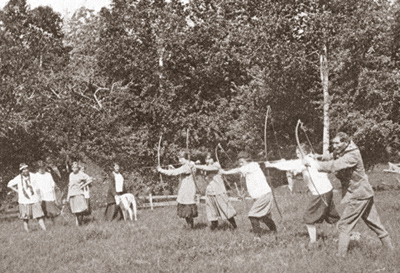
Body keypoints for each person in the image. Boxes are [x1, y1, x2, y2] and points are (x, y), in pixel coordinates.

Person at [311, 132, 394, 257]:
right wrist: (320, 157)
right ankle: (391, 251)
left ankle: (340, 257)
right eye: (333, 143)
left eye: (337, 143)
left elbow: (335, 164)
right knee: (374, 223)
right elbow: (333, 155)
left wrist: (316, 165)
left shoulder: (352, 155)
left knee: (344, 225)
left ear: (345, 142)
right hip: (364, 193)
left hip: (359, 195)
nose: (335, 145)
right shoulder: (345, 149)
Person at [265, 143, 339, 245]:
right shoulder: (310, 159)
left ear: (304, 152)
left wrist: (271, 165)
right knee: (332, 216)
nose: (297, 155)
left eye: (299, 153)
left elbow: (290, 165)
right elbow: (293, 164)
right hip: (327, 190)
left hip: (320, 192)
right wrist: (282, 162)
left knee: (308, 218)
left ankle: (313, 242)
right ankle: (348, 233)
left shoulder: (306, 161)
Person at [220, 151, 277, 240]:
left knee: (252, 215)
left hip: (264, 195)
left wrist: (225, 172)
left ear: (248, 160)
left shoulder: (253, 165)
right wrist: (244, 193)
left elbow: (238, 170)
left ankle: (257, 237)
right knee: (262, 216)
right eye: (239, 163)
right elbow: (249, 183)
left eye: (242, 162)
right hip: (261, 196)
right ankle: (274, 231)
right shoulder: (248, 169)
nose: (240, 165)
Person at [195, 152, 237, 230]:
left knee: (225, 210)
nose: (207, 160)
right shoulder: (206, 166)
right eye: (206, 159)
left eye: (209, 158)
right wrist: (195, 165)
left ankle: (234, 226)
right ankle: (214, 228)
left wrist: (195, 165)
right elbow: (202, 170)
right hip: (210, 192)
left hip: (219, 192)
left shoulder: (216, 165)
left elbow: (207, 168)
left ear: (213, 159)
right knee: (211, 211)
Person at [157, 151, 198, 229]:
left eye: (180, 159)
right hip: (186, 188)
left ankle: (190, 227)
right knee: (186, 208)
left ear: (185, 158)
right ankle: (190, 227)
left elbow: (175, 172)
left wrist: (161, 170)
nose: (179, 161)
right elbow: (179, 171)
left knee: (187, 209)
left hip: (188, 189)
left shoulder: (188, 166)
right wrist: (173, 168)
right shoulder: (189, 165)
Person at [7, 163, 46, 232]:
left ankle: (45, 230)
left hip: (34, 199)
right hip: (23, 200)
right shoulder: (18, 178)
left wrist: (39, 197)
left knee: (39, 215)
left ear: (28, 169)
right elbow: (9, 185)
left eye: (26, 169)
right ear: (21, 171)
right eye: (23, 170)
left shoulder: (33, 176)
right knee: (25, 217)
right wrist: (17, 190)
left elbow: (37, 187)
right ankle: (27, 231)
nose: (25, 171)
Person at [67, 162, 92, 226]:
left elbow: (90, 179)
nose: (74, 169)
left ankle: (80, 225)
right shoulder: (71, 175)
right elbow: (70, 185)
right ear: (72, 168)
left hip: (79, 193)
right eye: (73, 167)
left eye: (76, 167)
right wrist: (68, 196)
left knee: (80, 210)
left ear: (78, 168)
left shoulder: (81, 174)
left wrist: (83, 185)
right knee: (76, 211)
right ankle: (79, 224)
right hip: (72, 194)